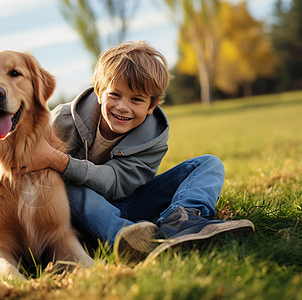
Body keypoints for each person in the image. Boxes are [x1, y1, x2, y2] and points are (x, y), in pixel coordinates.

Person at [24, 40, 254, 262]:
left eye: (136, 99)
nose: (123, 107)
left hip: (131, 203)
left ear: (151, 106)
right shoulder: (62, 120)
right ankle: (129, 239)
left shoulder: (154, 138)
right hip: (78, 214)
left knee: (208, 164)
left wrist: (60, 161)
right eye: (115, 94)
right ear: (100, 91)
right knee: (69, 188)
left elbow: (116, 183)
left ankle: (183, 221)